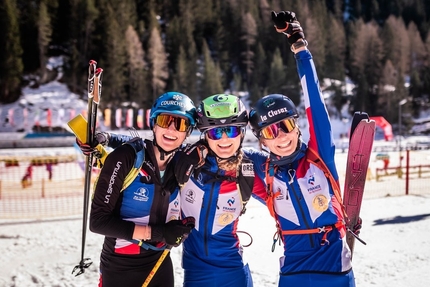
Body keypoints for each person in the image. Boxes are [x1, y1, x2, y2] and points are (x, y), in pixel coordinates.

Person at [245, 11, 357, 286]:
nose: (281, 136)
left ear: (296, 127)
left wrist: (299, 47)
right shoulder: (263, 170)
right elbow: (221, 145)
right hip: (292, 275)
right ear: (262, 140)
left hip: (335, 273)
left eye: (285, 126)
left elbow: (315, 101)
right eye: (271, 131)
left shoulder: (319, 156)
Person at [84, 92, 197, 287]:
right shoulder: (125, 158)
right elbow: (98, 222)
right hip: (120, 265)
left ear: (187, 132)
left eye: (180, 124)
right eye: (164, 120)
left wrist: (176, 231)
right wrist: (160, 233)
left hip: (159, 263)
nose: (171, 129)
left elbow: (217, 148)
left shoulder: (181, 162)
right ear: (154, 124)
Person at [172, 94, 268, 287]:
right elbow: (149, 150)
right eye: (216, 133)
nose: (224, 139)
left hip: (234, 271)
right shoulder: (188, 160)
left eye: (231, 130)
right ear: (205, 135)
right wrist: (105, 139)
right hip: (195, 272)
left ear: (241, 133)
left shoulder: (251, 165)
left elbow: (292, 164)